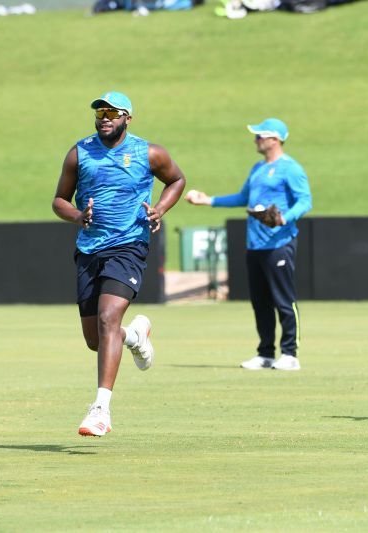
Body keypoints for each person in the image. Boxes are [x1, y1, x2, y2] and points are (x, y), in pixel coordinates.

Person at [52, 91, 186, 437]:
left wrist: (160, 208)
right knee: (96, 339)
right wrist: (79, 215)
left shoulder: (149, 152)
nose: (104, 117)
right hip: (89, 249)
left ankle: (101, 409)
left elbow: (177, 180)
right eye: (99, 112)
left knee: (109, 317)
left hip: (129, 245)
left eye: (112, 112)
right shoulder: (78, 153)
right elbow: (58, 201)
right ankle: (135, 335)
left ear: (128, 118)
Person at [186, 117, 312, 371]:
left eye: (259, 135)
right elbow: (243, 198)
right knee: (260, 301)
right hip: (255, 244)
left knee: (283, 300)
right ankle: (265, 353)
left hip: (279, 242)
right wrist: (208, 201)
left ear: (274, 139)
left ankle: (290, 354)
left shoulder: (291, 169)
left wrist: (284, 218)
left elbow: (305, 201)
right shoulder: (257, 168)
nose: (255, 139)